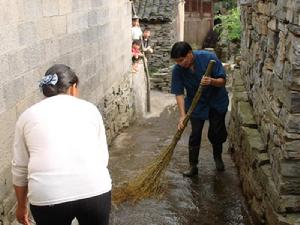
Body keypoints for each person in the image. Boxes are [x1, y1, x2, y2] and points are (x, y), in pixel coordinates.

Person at [12, 64, 112, 225]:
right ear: (73, 88)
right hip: (95, 190)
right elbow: (102, 157)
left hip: (47, 196)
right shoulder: (90, 109)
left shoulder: (26, 116)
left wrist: (21, 207)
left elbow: (19, 168)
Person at [170, 41, 229, 177]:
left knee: (216, 132)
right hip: (196, 104)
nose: (180, 63)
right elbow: (178, 93)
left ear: (190, 53)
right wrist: (182, 115)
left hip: (217, 101)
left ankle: (217, 157)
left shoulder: (209, 58)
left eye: (181, 59)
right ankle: (193, 166)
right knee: (195, 134)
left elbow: (223, 81)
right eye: (177, 61)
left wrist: (211, 81)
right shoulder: (178, 70)